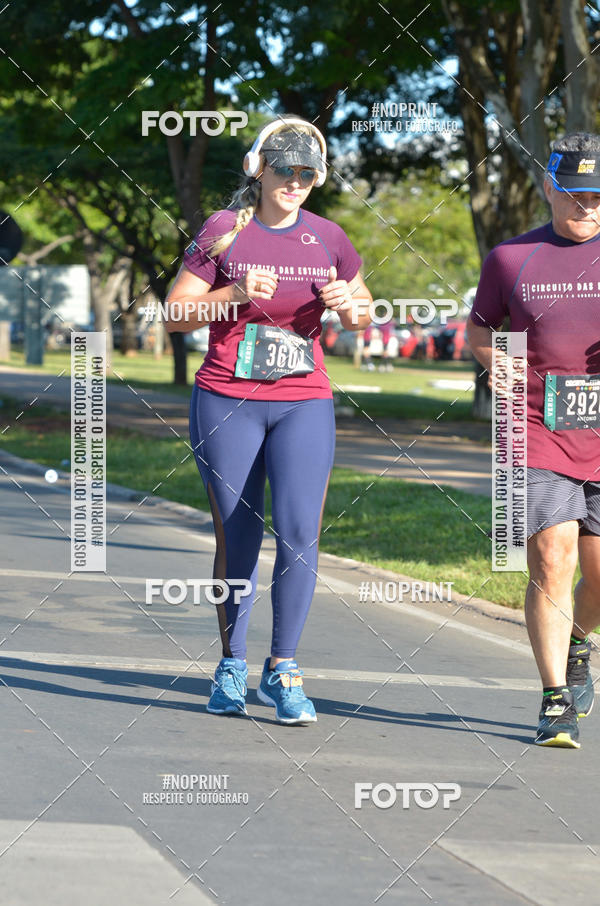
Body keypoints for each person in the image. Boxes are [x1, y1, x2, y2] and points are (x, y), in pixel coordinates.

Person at [165, 116, 372, 724]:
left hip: (303, 400)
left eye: (308, 173)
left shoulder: (330, 237)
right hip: (228, 398)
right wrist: (230, 295)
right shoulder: (224, 230)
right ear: (259, 169)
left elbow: (364, 309)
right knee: (238, 535)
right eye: (285, 169)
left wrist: (350, 308)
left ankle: (283, 669)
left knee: (300, 532)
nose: (296, 182)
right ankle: (231, 664)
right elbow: (175, 312)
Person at [468, 132, 600, 748]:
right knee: (553, 559)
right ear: (550, 188)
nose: (587, 207)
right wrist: (496, 359)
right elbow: (479, 331)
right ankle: (553, 699)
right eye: (575, 195)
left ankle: (579, 644)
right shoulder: (509, 259)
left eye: (597, 196)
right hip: (536, 428)